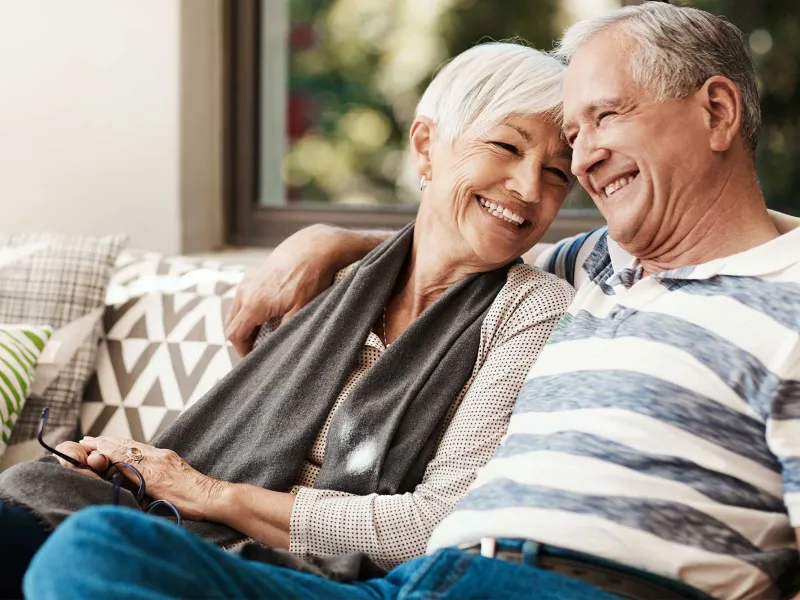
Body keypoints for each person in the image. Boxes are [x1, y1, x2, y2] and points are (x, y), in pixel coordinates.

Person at [24, 3, 800, 599]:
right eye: (574, 130)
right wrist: (335, 240)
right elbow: (464, 247)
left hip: (572, 585)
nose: (584, 158)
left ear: (718, 112)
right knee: (92, 551)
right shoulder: (598, 264)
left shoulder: (787, 303)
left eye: (605, 117)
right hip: (418, 584)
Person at [0, 42, 577, 599]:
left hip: (316, 573)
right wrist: (130, 472)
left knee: (94, 549)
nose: (529, 188)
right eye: (506, 146)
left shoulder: (533, 309)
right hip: (193, 530)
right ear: (425, 146)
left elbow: (426, 527)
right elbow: (238, 443)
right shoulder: (330, 280)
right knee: (34, 490)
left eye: (558, 174)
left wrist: (202, 491)